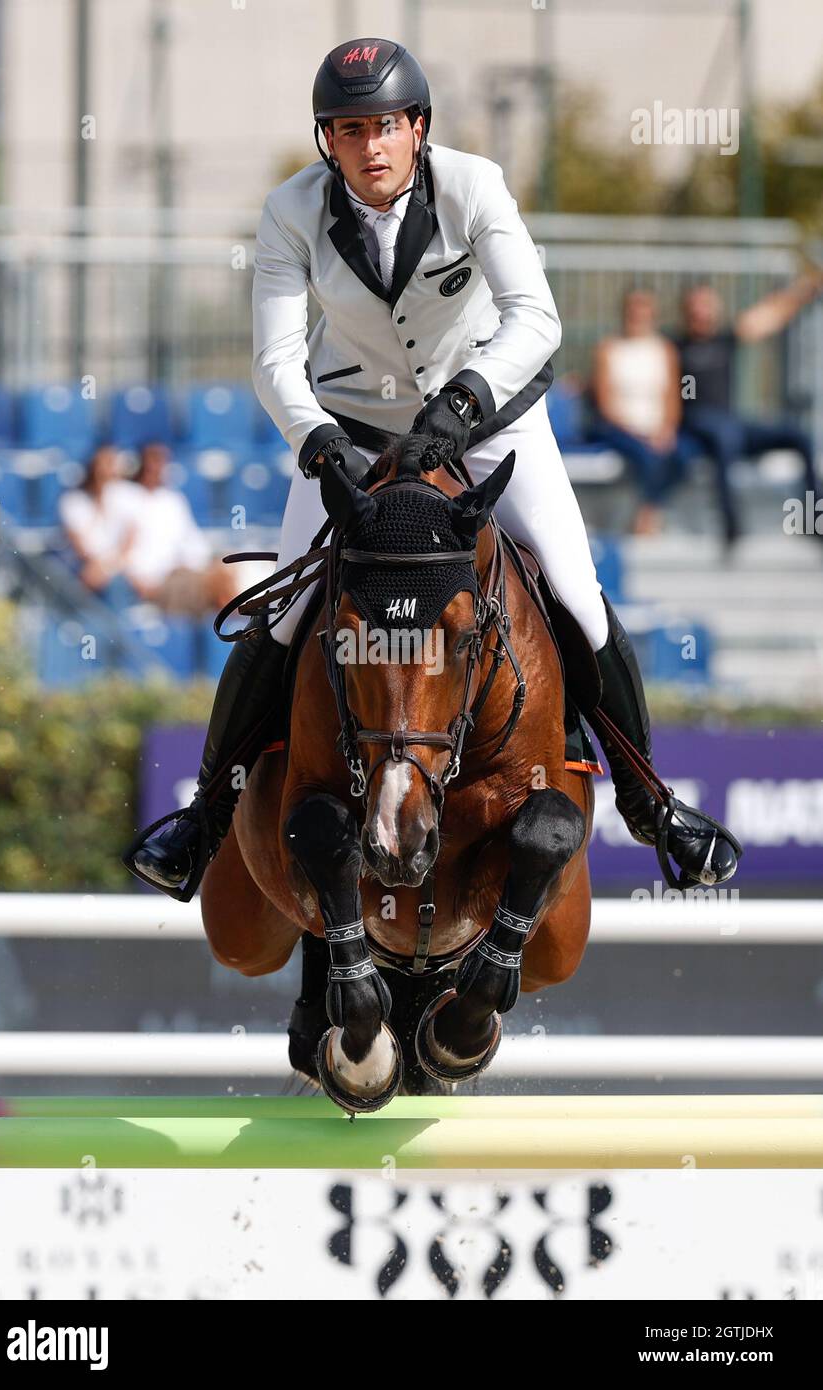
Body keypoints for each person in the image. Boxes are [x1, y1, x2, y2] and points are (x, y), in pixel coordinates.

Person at [123, 36, 740, 900]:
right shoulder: (291, 211)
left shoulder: (475, 185)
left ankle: (653, 804)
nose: (368, 147)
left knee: (572, 591)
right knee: (289, 608)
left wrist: (462, 404)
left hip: (486, 424)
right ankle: (206, 818)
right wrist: (316, 438)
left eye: (383, 126)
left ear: (418, 126)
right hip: (354, 432)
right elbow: (273, 359)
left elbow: (537, 317)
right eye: (347, 130)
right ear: (325, 140)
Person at [674, 276, 823, 543]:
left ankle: (813, 519)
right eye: (695, 307)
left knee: (798, 436)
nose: (701, 313)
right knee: (723, 434)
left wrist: (802, 292)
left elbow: (766, 318)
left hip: (731, 424)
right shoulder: (676, 348)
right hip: (697, 424)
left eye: (706, 306)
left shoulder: (724, 340)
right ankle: (731, 524)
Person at [589, 288, 695, 535]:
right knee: (648, 458)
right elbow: (605, 403)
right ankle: (644, 523)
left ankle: (649, 510)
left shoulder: (665, 350)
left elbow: (672, 397)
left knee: (683, 455)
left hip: (656, 430)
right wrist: (640, 434)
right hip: (619, 428)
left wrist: (666, 429)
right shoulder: (608, 349)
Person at [126, 442, 240, 613]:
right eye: (152, 461)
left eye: (161, 461)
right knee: (217, 586)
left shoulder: (173, 500)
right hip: (153, 580)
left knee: (227, 570)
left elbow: (192, 542)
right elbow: (120, 550)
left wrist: (206, 564)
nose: (157, 467)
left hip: (181, 572)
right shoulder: (125, 497)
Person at [59, 443, 140, 607]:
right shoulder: (73, 501)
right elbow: (81, 548)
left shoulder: (128, 497)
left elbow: (129, 542)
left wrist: (107, 568)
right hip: (86, 568)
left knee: (118, 584)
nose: (104, 472)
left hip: (116, 568)